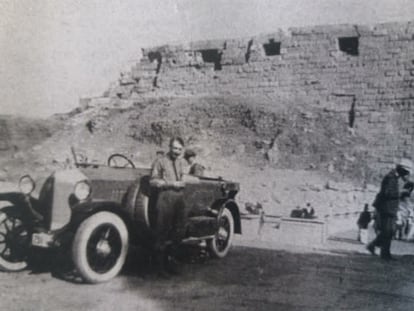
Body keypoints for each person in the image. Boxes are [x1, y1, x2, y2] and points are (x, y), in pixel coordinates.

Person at [150, 136, 187, 275]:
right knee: (162, 232)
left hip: (179, 198)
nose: (176, 151)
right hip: (165, 197)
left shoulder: (181, 162)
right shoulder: (160, 161)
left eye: (179, 149)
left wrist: (183, 181)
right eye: (174, 148)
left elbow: (183, 177)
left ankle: (171, 263)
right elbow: (153, 181)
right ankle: (159, 268)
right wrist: (171, 184)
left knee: (179, 231)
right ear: (170, 147)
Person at [367, 158, 413, 260]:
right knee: (388, 231)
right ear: (401, 169)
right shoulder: (390, 177)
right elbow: (387, 193)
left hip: (390, 208)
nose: (406, 175)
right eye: (406, 172)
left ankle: (374, 246)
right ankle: (385, 254)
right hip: (386, 208)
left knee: (389, 231)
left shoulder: (394, 177)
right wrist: (401, 193)